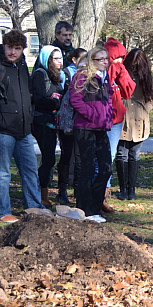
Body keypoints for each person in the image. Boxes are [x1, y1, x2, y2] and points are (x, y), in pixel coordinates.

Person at [0, 30, 45, 222]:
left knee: (30, 170)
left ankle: (33, 208)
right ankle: (3, 212)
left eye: (17, 48)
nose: (12, 52)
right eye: (9, 47)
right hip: (3, 130)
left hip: (24, 131)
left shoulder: (22, 66)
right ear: (4, 45)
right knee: (3, 174)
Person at [69, 47, 114, 223]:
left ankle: (95, 207)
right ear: (92, 60)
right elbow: (75, 100)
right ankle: (85, 210)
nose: (105, 62)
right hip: (85, 128)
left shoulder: (104, 78)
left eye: (106, 59)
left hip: (101, 128)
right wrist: (93, 115)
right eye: (101, 59)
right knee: (87, 168)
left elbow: (108, 100)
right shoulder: (82, 76)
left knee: (106, 168)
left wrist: (107, 116)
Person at [116, 48, 153, 200]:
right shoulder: (121, 73)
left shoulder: (146, 76)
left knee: (134, 154)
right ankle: (122, 189)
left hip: (139, 119)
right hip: (123, 116)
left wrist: (145, 109)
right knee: (122, 154)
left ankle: (131, 189)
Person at [102, 38, 136, 211]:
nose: (118, 61)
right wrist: (112, 70)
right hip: (100, 119)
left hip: (116, 120)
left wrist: (120, 71)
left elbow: (128, 91)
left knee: (111, 155)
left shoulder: (120, 68)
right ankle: (100, 192)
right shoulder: (102, 70)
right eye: (116, 58)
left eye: (121, 58)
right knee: (101, 156)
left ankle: (105, 191)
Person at [31, 45, 65, 207]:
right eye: (55, 58)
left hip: (52, 120)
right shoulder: (40, 74)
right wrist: (54, 102)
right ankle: (40, 193)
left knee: (49, 158)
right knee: (48, 158)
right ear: (47, 59)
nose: (59, 61)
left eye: (60, 58)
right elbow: (37, 99)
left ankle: (42, 192)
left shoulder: (56, 75)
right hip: (41, 121)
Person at [56, 48, 87, 204]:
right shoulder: (66, 74)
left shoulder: (88, 76)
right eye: (83, 59)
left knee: (80, 157)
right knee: (66, 156)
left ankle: (78, 190)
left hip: (81, 121)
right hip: (67, 121)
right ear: (74, 60)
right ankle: (62, 190)